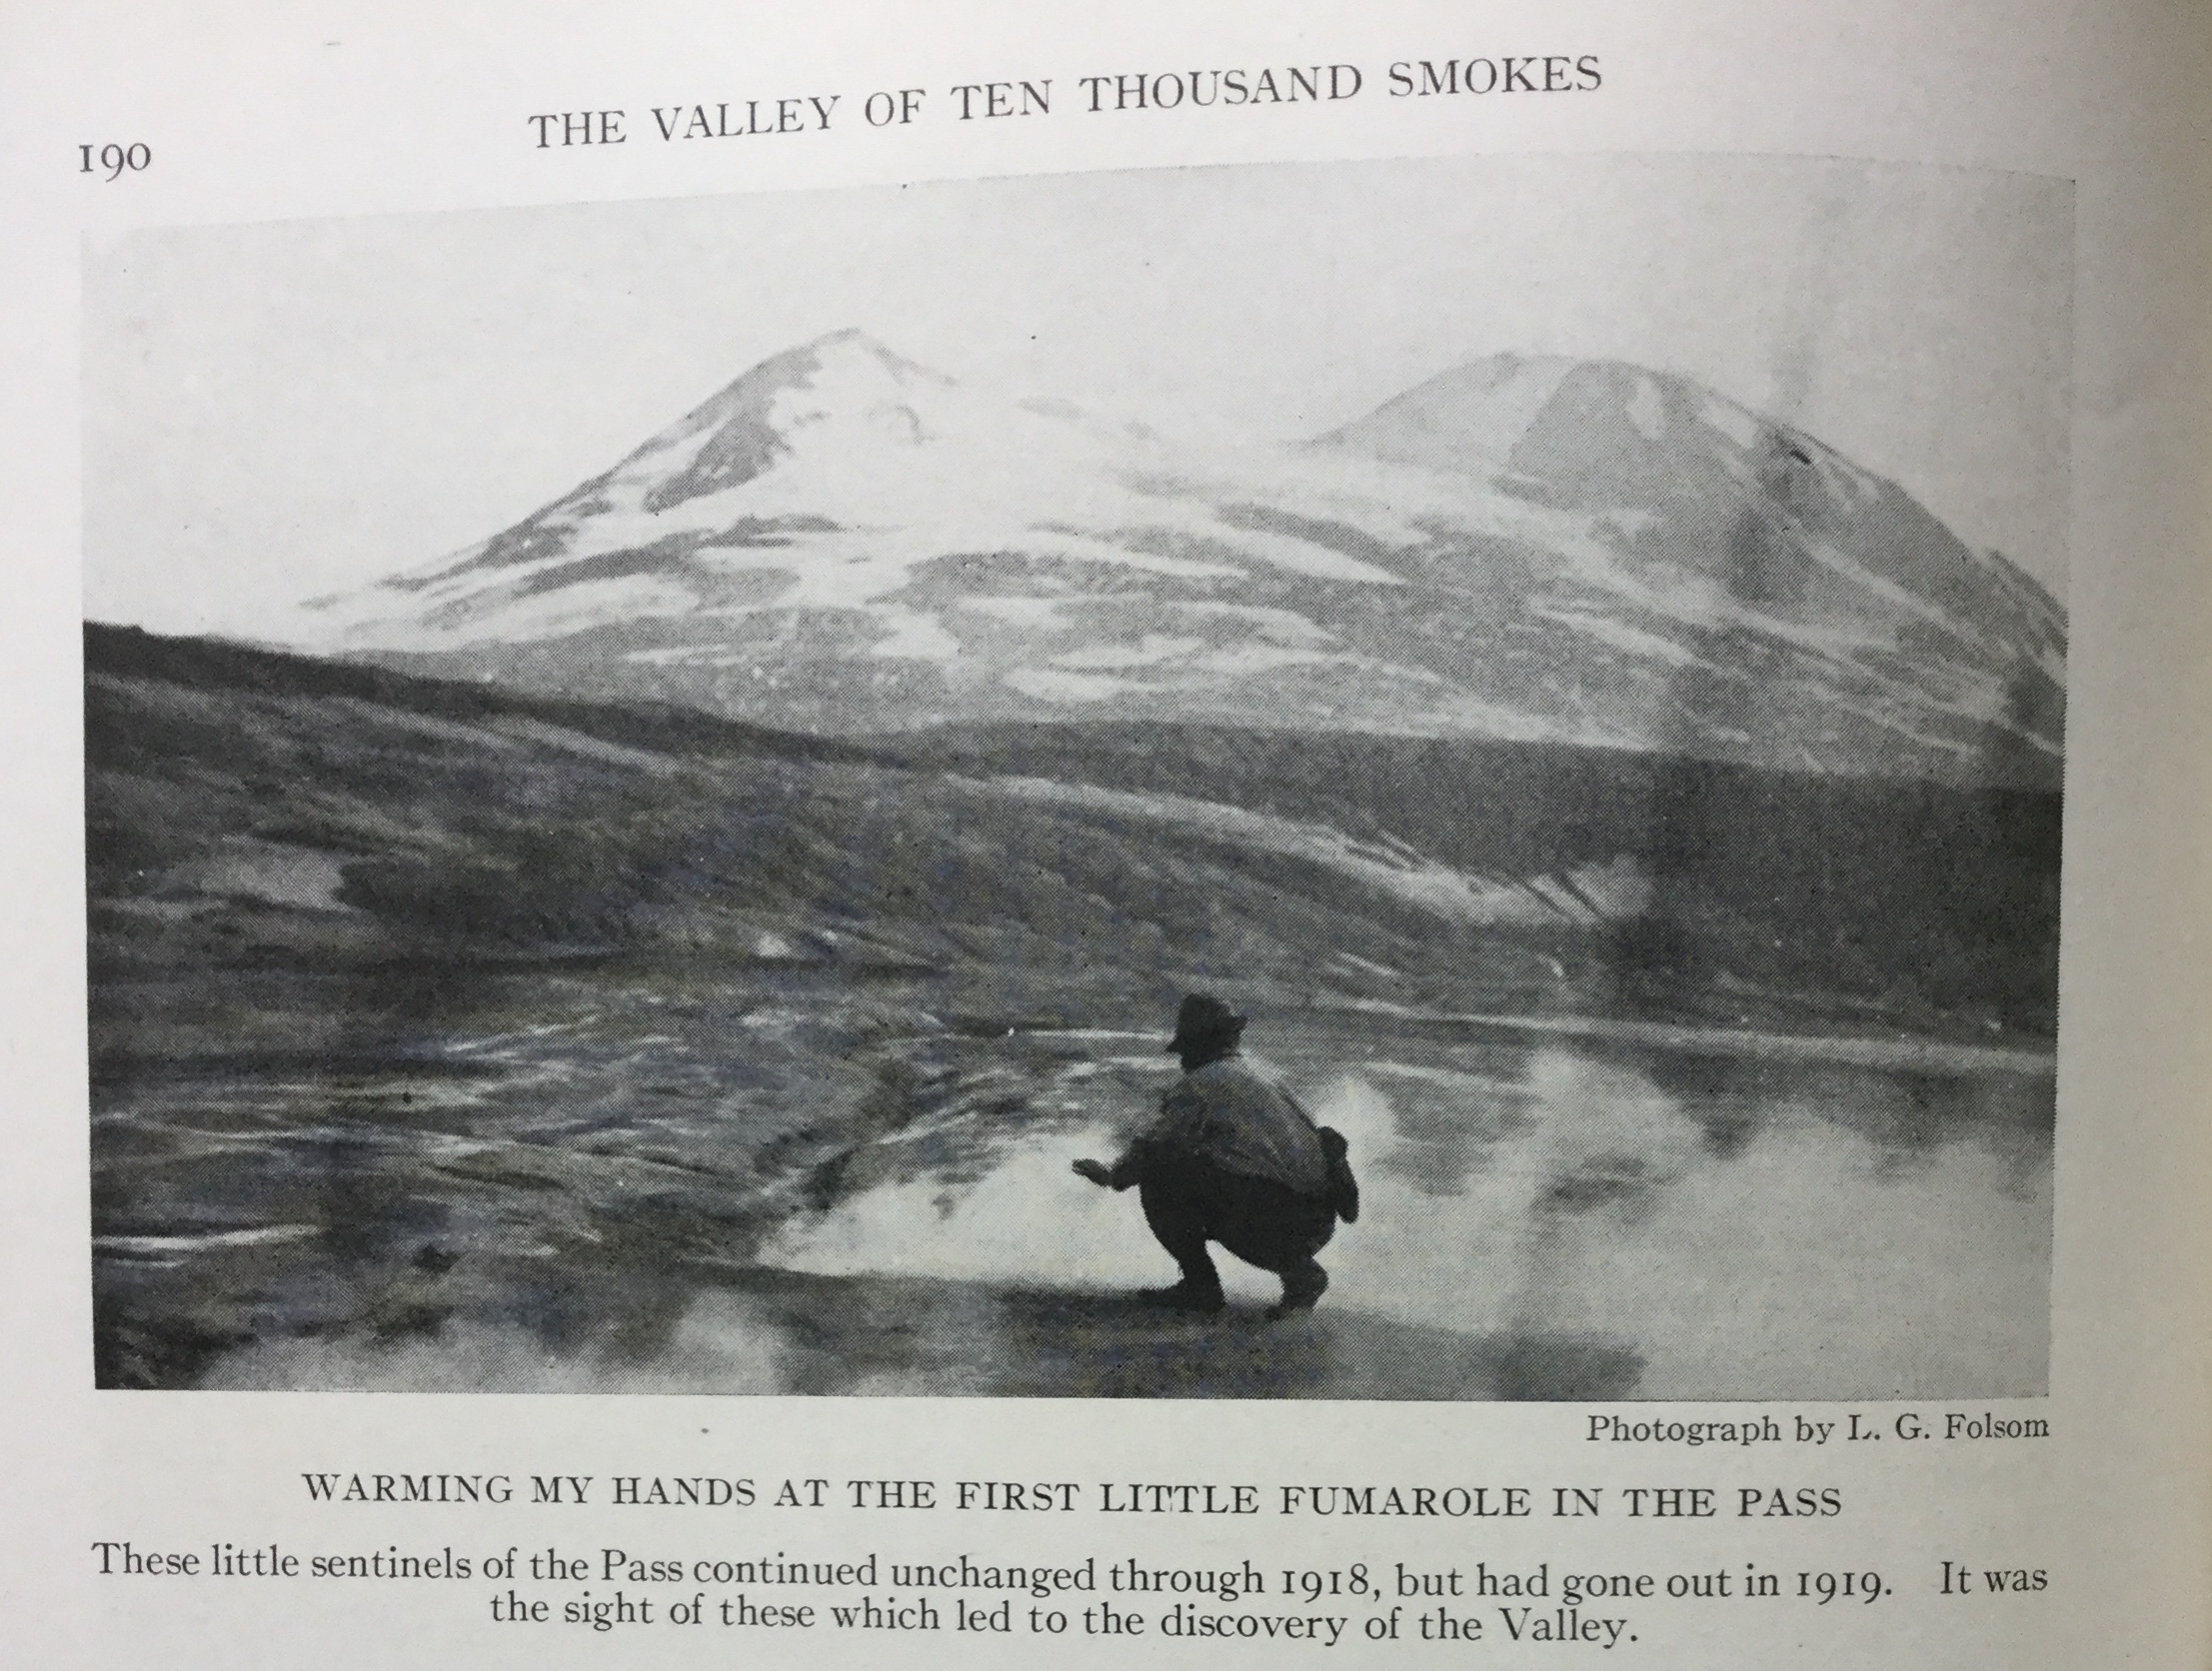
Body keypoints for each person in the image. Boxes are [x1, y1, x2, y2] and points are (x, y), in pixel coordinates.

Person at [1073, 994, 1358, 1319]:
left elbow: (1152, 1150)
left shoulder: (1199, 1085)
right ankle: (1298, 1271)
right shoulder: (1271, 1080)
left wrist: (1110, 1175)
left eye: (1185, 1050)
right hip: (1319, 1222)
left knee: (1160, 1171)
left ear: (1198, 1046)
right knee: (1230, 1170)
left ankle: (1201, 1285)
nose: (1182, 1062)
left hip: (1270, 1225)